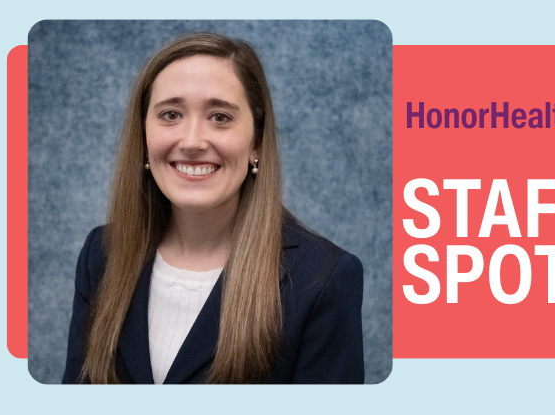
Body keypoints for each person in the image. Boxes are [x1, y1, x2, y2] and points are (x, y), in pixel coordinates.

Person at [62, 33, 365, 384]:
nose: (192, 142)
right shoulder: (101, 254)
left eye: (220, 117)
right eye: (170, 114)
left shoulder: (323, 279)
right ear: (143, 138)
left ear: (257, 144)